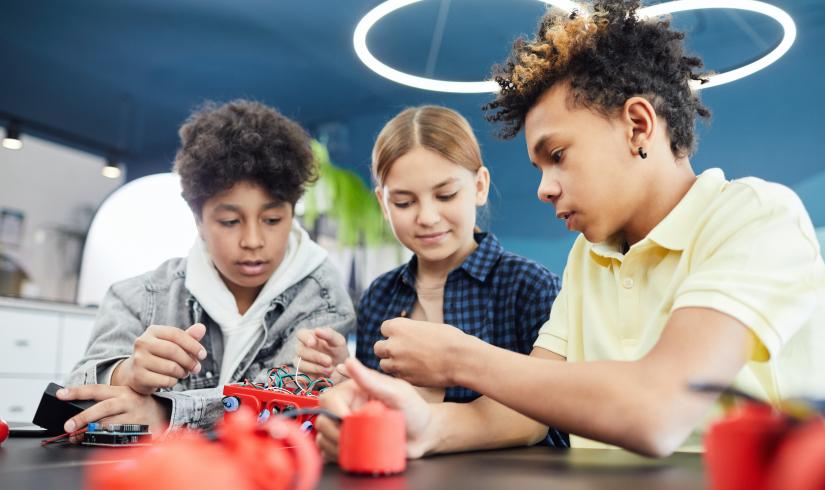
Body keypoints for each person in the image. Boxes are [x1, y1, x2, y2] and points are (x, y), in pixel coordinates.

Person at [315, 0, 825, 459]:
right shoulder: (590, 256)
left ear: (639, 126)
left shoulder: (756, 216)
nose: (544, 188)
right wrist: (423, 426)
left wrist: (459, 358)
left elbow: (660, 409)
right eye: (539, 168)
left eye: (556, 156)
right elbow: (526, 411)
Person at [59, 100, 355, 436]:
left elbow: (277, 411)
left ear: (292, 212)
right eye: (230, 221)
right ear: (198, 219)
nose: (253, 240)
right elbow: (75, 396)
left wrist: (166, 412)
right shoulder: (139, 298)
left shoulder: (322, 301)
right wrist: (125, 373)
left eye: (272, 219)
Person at [296, 106, 567, 450]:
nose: (427, 216)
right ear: (383, 204)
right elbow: (373, 413)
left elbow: (554, 417)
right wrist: (343, 373)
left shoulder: (529, 286)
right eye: (405, 202)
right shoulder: (380, 295)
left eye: (446, 195)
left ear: (480, 186)